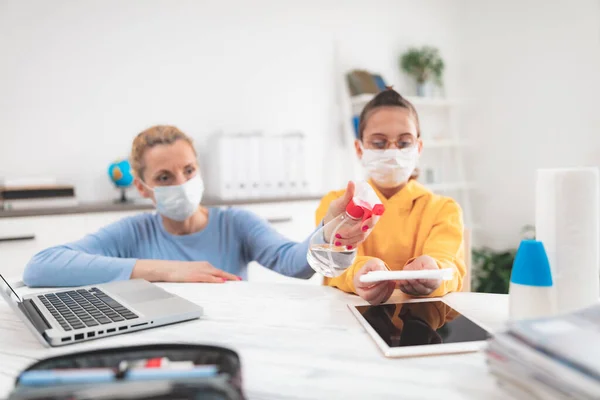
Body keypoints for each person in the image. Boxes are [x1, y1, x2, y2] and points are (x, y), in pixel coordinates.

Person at [23, 125, 374, 287]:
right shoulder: (132, 232)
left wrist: (328, 230)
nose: (181, 183)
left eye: (188, 170)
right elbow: (40, 267)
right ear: (143, 187)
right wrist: (167, 270)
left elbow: (294, 264)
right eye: (164, 177)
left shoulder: (236, 224)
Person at [315, 88, 466, 304]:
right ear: (359, 149)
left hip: (423, 322)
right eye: (379, 143)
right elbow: (331, 263)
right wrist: (356, 272)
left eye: (404, 143)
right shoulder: (336, 204)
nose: (392, 151)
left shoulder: (444, 209)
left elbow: (450, 265)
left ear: (418, 147)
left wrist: (435, 271)